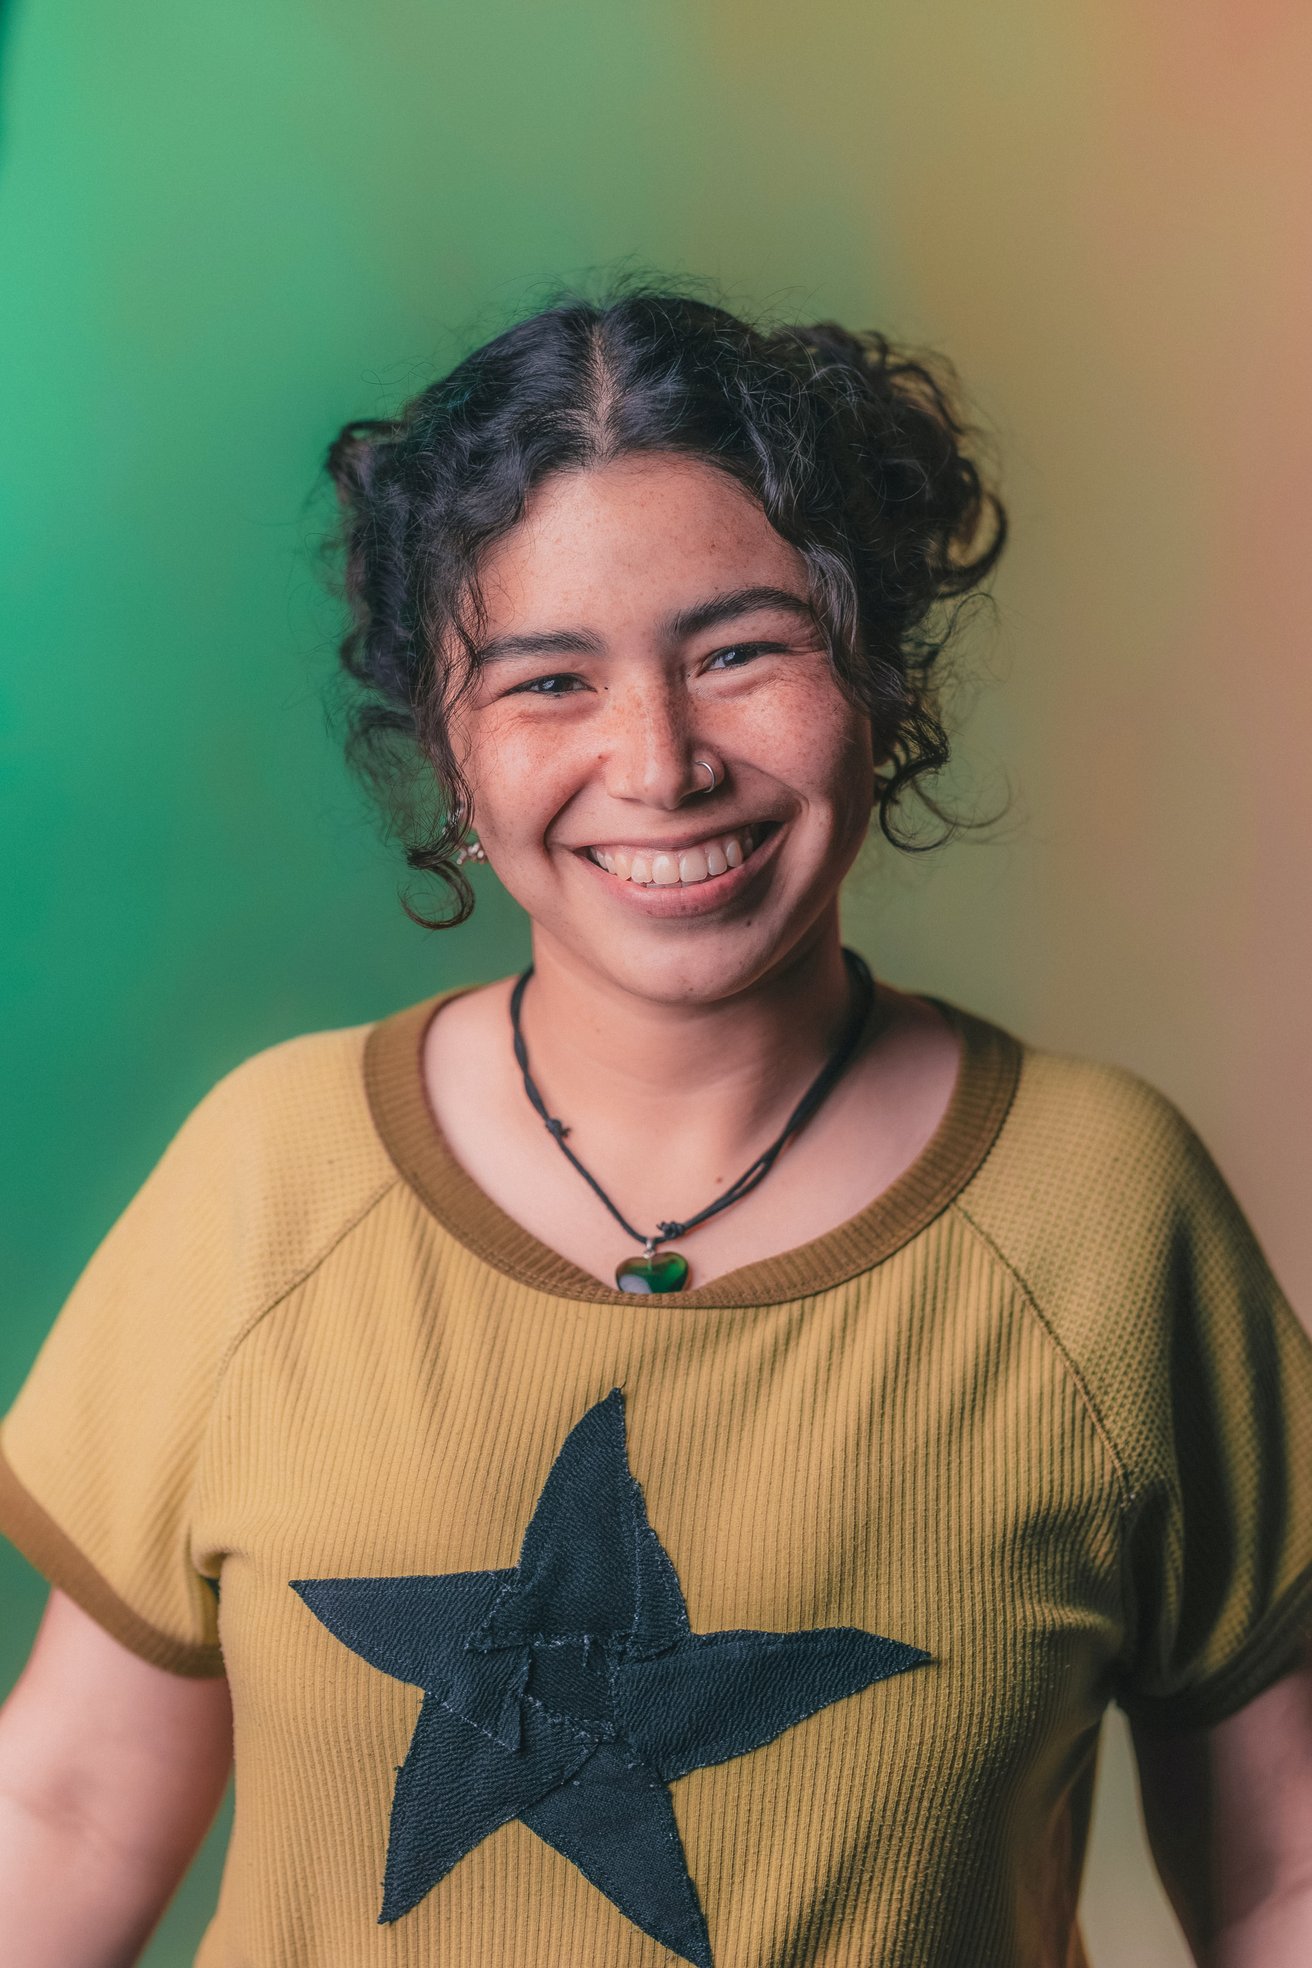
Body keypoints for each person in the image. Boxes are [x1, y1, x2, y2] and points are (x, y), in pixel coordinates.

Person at [1, 289, 1309, 1968]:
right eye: (550, 680)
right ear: (451, 760)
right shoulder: (272, 1179)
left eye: (740, 651)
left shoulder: (1103, 1212)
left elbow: (1281, 1871)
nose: (660, 762)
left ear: (878, 672)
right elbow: (68, 1812)